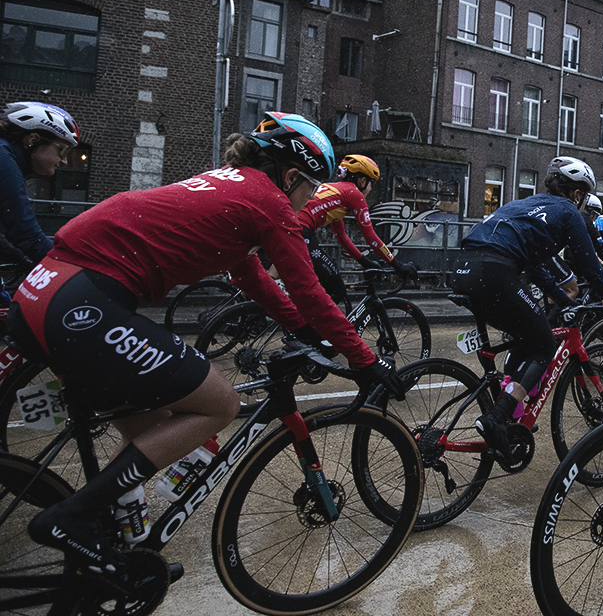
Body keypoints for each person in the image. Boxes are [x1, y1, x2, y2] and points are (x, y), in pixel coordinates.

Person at [6, 112, 405, 572]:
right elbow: (308, 290)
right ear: (291, 176)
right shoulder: (269, 201)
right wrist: (366, 360)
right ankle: (70, 518)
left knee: (155, 426)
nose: (312, 198)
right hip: (83, 303)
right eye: (312, 187)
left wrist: (300, 328)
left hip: (41, 292)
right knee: (219, 404)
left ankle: (117, 541)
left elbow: (247, 273)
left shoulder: (230, 182)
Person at [454, 157, 603, 462]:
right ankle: (497, 418)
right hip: (494, 271)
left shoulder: (526, 204)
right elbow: (593, 271)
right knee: (545, 345)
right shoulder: (568, 211)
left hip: (463, 267)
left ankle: (509, 409)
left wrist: (564, 300)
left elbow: (535, 268)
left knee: (526, 334)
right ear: (577, 193)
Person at [297, 154, 417, 305]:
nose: (370, 189)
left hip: (294, 226)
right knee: (337, 289)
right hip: (301, 230)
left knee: (318, 281)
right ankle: (308, 320)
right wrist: (397, 264)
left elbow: (341, 236)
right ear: (362, 181)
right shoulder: (354, 194)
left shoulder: (337, 191)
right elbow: (371, 237)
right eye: (371, 183)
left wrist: (364, 261)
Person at [1, 101, 81, 266]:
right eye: (62, 150)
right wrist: (64, 267)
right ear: (33, 139)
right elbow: (25, 232)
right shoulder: (4, 162)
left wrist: (19, 258)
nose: (65, 161)